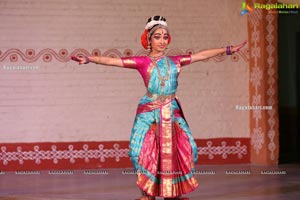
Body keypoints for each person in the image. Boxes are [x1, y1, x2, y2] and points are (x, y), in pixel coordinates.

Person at [71, 15, 247, 200]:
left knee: (187, 148)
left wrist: (227, 49)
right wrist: (89, 59)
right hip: (149, 111)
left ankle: (173, 192)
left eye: (165, 36)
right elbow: (114, 61)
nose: (162, 40)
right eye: (157, 36)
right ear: (148, 39)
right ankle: (148, 194)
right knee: (139, 151)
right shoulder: (142, 62)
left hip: (171, 110)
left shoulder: (176, 61)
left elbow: (201, 55)